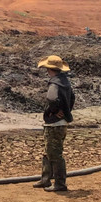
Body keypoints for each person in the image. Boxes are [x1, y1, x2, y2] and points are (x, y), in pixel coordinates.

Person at [32, 55, 75, 192]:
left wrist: (54, 112)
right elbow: (72, 98)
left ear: (49, 69)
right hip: (62, 123)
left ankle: (59, 184)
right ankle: (46, 179)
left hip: (54, 124)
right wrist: (65, 110)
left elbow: (51, 98)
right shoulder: (65, 82)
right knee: (48, 151)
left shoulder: (55, 83)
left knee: (55, 154)